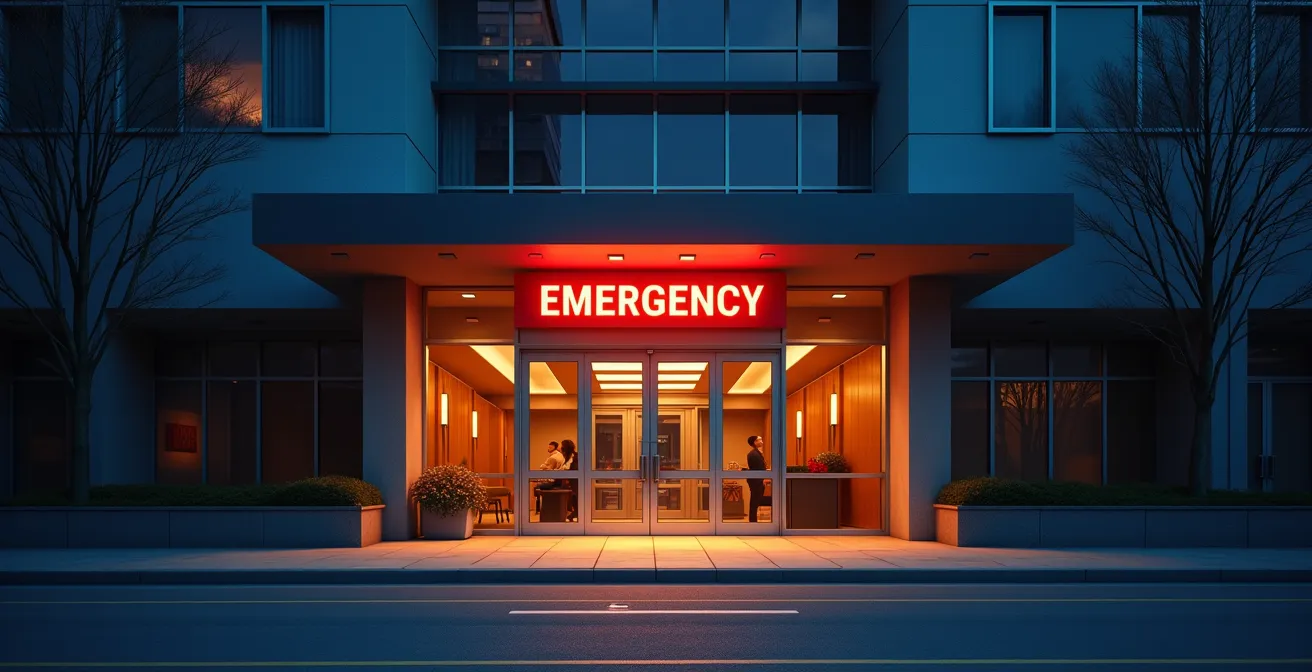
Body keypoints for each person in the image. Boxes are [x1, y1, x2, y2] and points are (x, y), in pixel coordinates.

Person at [534, 441, 564, 513]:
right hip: (558, 480)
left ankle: (539, 508)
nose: (548, 448)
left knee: (536, 487)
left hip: (554, 481)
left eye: (550, 447)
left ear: (554, 447)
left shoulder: (553, 457)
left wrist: (543, 466)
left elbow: (547, 469)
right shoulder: (560, 455)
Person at [746, 435, 770, 523]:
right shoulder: (754, 454)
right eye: (759, 440)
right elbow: (757, 469)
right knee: (755, 502)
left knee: (755, 501)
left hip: (757, 481)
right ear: (755, 442)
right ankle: (753, 522)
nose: (762, 441)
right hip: (756, 482)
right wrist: (762, 480)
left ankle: (753, 521)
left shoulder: (757, 453)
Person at [558, 439, 579, 522]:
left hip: (576, 481)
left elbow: (575, 469)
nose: (559, 448)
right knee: (573, 498)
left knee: (576, 497)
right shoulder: (566, 457)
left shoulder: (575, 457)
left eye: (561, 446)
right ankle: (575, 513)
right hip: (571, 481)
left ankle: (576, 513)